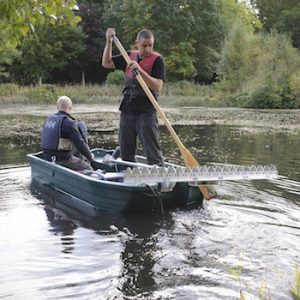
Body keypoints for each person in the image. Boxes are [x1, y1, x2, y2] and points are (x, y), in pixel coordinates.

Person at [102, 28, 165, 165]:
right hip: (127, 109)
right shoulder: (128, 56)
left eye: (150, 45)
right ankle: (129, 177)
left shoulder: (157, 60)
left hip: (146, 111)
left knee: (152, 150)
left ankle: (159, 178)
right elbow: (106, 63)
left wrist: (140, 71)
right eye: (144, 45)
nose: (148, 49)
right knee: (126, 151)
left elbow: (158, 86)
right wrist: (109, 42)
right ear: (137, 43)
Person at [41, 96, 94, 171]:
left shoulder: (48, 119)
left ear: (57, 107)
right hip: (62, 160)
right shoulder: (69, 123)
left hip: (47, 156)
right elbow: (79, 143)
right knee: (88, 168)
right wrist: (90, 156)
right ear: (70, 107)